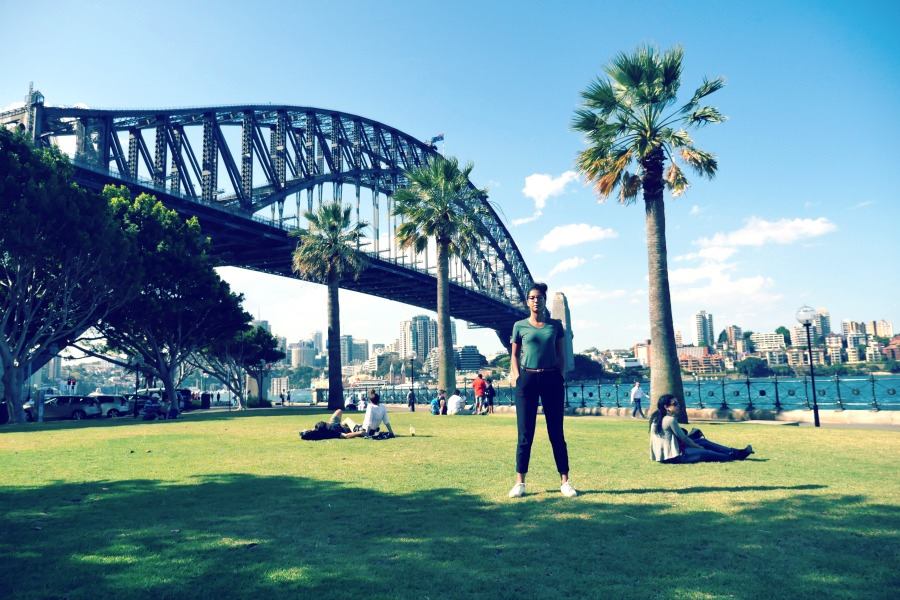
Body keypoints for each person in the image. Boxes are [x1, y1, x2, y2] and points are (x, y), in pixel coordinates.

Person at [508, 282, 576, 498]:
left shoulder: (555, 326)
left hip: (551, 378)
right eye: (532, 297)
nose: (536, 301)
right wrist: (517, 376)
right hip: (527, 378)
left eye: (540, 297)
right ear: (528, 302)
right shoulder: (519, 326)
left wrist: (561, 375)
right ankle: (520, 482)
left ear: (545, 301)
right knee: (525, 433)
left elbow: (561, 353)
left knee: (556, 432)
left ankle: (565, 481)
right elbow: (514, 355)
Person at [649, 394, 754, 463]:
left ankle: (736, 452)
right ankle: (734, 456)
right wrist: (698, 447)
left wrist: (698, 444)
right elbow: (684, 439)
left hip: (665, 456)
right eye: (675, 404)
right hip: (674, 457)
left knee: (703, 442)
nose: (678, 406)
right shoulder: (669, 420)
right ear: (666, 407)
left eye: (678, 403)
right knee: (707, 453)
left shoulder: (656, 417)